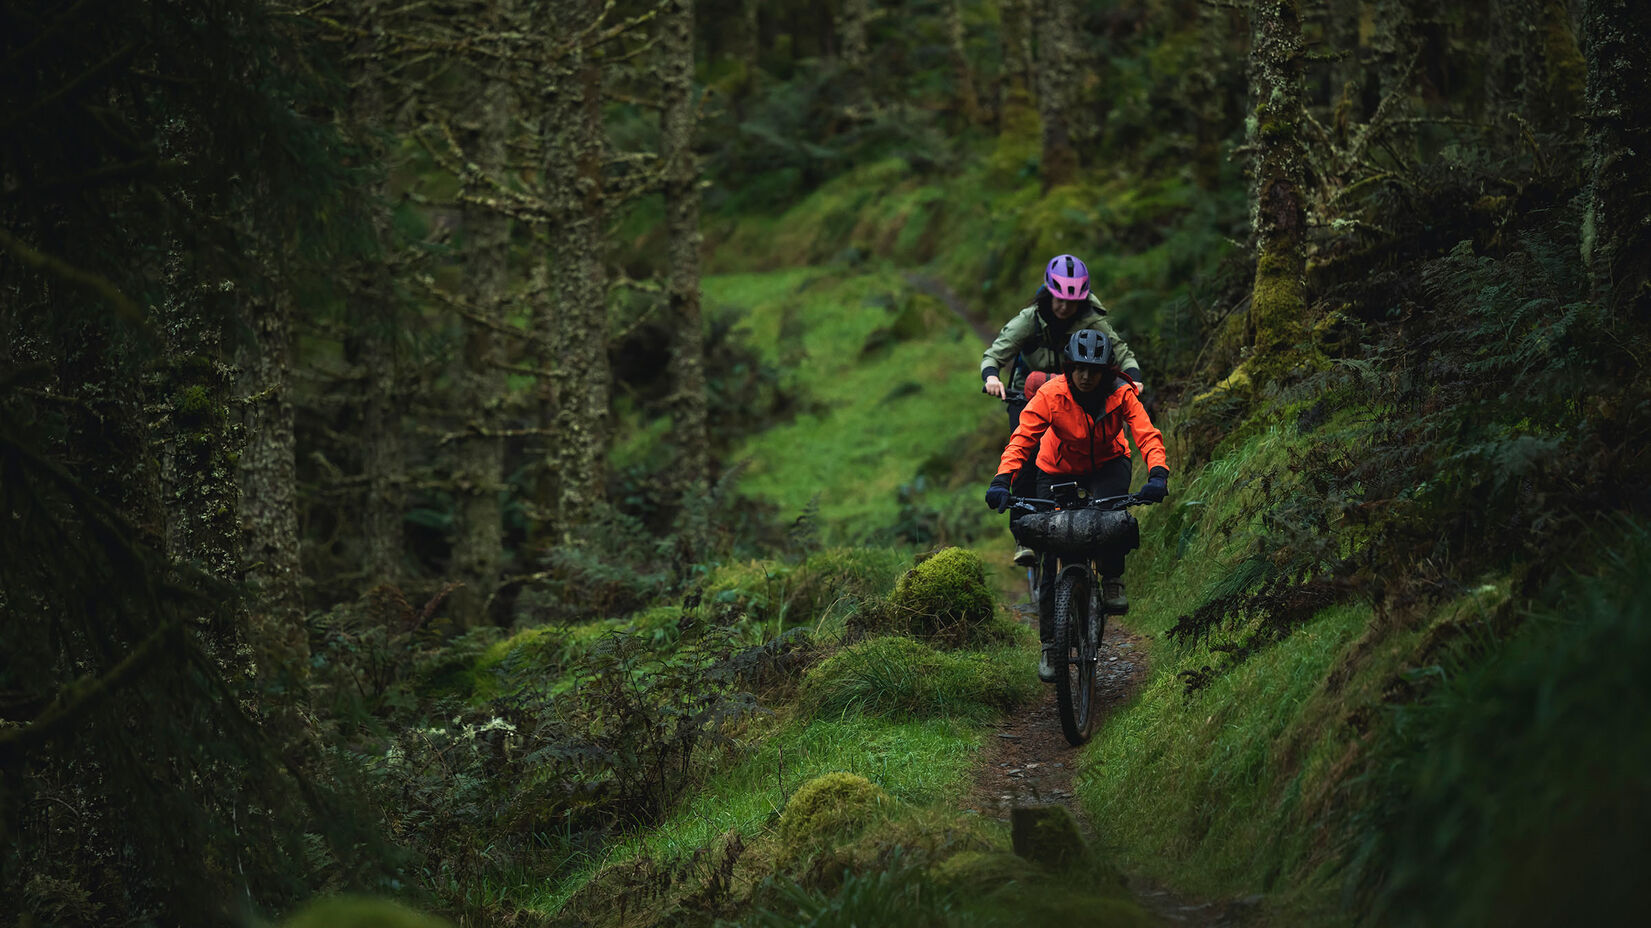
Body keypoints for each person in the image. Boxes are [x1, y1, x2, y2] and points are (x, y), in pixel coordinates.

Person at [984, 329, 1169, 682]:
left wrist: (1158, 472)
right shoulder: (1051, 394)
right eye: (1080, 368)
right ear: (1069, 367)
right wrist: (1001, 480)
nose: (1086, 377)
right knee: (1051, 551)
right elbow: (1022, 439)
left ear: (1106, 371)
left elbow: (1146, 433)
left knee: (1110, 517)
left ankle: (1112, 575)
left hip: (1108, 464)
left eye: (1094, 370)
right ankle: (1050, 645)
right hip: (1056, 467)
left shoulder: (1121, 393)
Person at [981, 254, 1145, 566]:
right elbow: (997, 352)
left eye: (1072, 301)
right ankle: (1022, 535)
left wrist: (1134, 378)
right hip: (1028, 396)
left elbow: (1122, 353)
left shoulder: (1092, 320)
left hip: (1077, 395)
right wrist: (991, 376)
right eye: (1059, 299)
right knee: (1026, 455)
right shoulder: (1029, 320)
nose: (1065, 307)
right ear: (1049, 293)